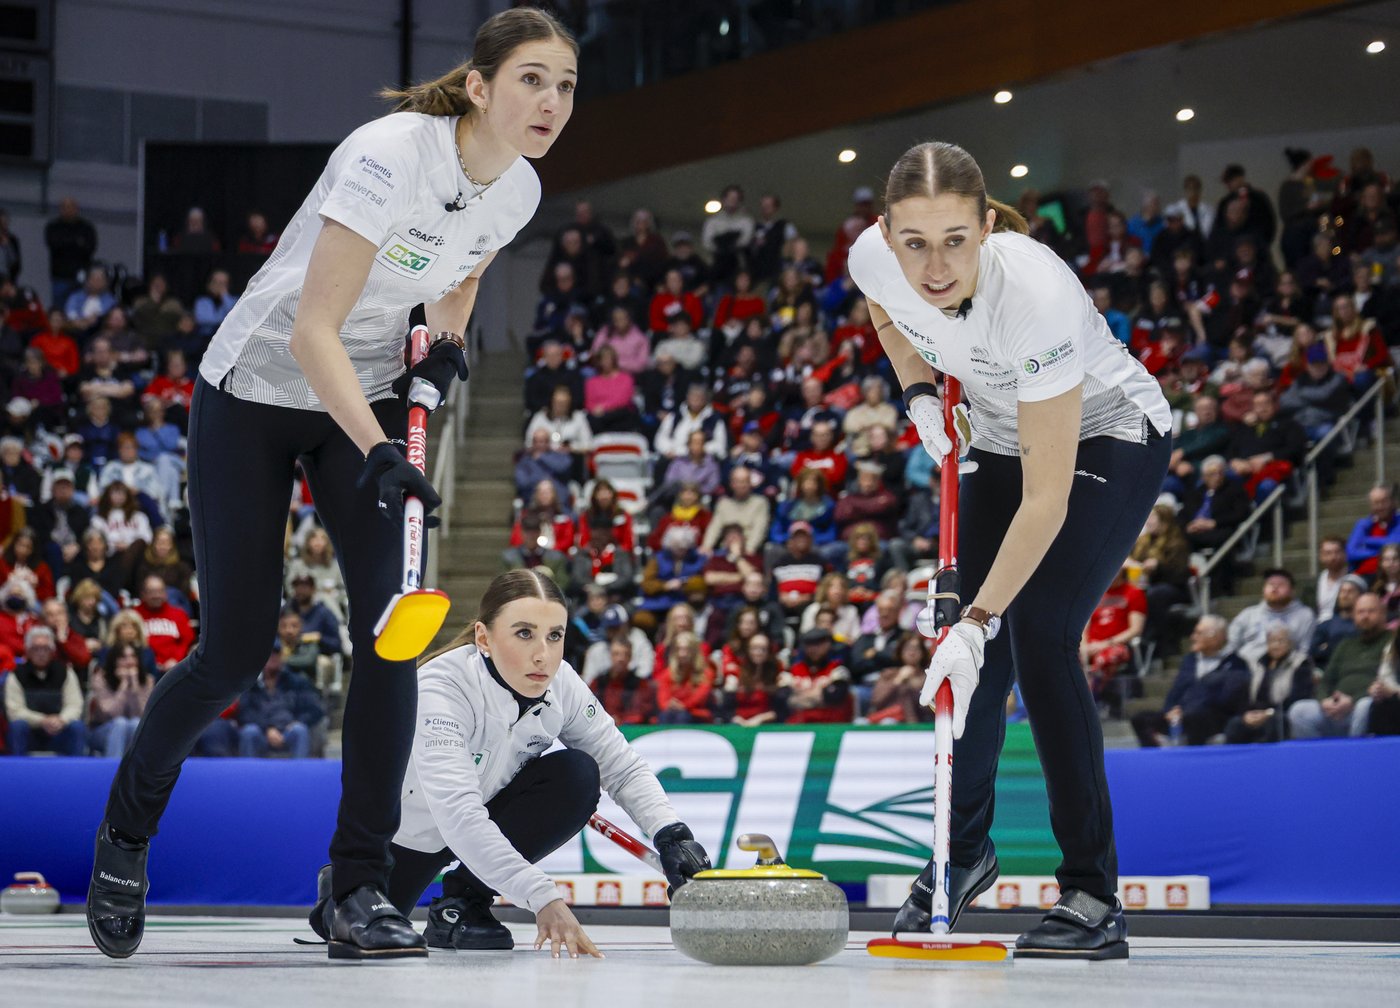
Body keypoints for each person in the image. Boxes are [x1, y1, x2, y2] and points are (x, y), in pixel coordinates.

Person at [87, 9, 579, 962]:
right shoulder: (389, 155)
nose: (551, 102)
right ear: (479, 87)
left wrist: (438, 353)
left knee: (393, 636)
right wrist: (381, 447)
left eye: (564, 85)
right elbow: (317, 328)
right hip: (260, 389)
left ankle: (354, 888)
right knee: (233, 649)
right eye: (530, 80)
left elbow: (457, 279)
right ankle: (124, 835)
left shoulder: (517, 190)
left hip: (376, 393)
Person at [852, 141, 1171, 958]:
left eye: (956, 239)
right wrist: (919, 394)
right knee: (973, 660)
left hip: (1107, 435)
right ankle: (961, 855)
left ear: (987, 225)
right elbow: (888, 314)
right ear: (886, 234)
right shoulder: (872, 260)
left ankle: (1094, 893)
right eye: (914, 242)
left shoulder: (1035, 293)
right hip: (989, 432)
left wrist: (981, 614)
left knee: (1036, 633)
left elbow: (1047, 499)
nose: (933, 265)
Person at [316, 570, 709, 956]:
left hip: (485, 816)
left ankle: (461, 905)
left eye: (555, 636)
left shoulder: (561, 683)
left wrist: (671, 835)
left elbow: (621, 766)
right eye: (524, 633)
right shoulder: (442, 687)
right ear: (483, 637)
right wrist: (543, 898)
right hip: (410, 837)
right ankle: (341, 886)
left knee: (577, 774)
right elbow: (459, 816)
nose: (543, 654)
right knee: (348, 922)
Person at [1130, 615, 1249, 747]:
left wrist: (1187, 710)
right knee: (1140, 719)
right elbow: (1176, 690)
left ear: (1215, 637)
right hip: (1181, 714)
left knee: (1195, 716)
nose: (1193, 637)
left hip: (1213, 718)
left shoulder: (1236, 664)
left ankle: (1192, 760)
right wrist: (1170, 710)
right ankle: (1159, 758)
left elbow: (1226, 700)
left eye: (1198, 633)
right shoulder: (1190, 660)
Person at [1288, 592, 1387, 739]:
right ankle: (1319, 760)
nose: (1365, 616)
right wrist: (1324, 701)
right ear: (1354, 616)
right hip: (1334, 709)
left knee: (1365, 706)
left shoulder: (1392, 642)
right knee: (1299, 711)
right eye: (1360, 612)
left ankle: (1356, 756)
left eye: (1371, 611)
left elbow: (1389, 680)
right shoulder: (1345, 645)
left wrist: (1353, 700)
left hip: (1368, 707)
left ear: (1383, 614)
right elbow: (1326, 680)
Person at [4, 625, 87, 755]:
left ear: (52, 651)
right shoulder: (16, 675)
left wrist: (62, 719)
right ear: (28, 651)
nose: (41, 653)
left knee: (77, 727)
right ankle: (18, 771)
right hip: (30, 732)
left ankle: (76, 771)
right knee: (17, 726)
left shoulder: (65, 672)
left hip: (59, 731)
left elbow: (74, 704)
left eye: (46, 648)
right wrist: (42, 720)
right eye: (36, 649)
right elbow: (14, 711)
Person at [1225, 627, 1314, 745]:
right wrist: (1247, 714)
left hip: (1281, 713)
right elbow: (1245, 695)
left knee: (1275, 723)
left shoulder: (1300, 663)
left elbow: (1298, 696)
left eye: (1281, 641)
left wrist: (1269, 713)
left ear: (1290, 643)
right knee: (1235, 724)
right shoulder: (1258, 665)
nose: (1276, 645)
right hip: (1256, 712)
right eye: (1272, 641)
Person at [236, 649, 324, 758]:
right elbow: (244, 712)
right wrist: (267, 729)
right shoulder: (251, 684)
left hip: (289, 731)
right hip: (262, 733)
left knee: (299, 730)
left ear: (282, 657)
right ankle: (247, 773)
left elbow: (315, 709)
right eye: (269, 654)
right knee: (249, 732)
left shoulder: (297, 682)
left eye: (276, 654)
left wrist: (297, 722)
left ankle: (300, 772)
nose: (273, 658)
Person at [88, 643, 155, 759]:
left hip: (132, 728)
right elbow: (108, 714)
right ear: (114, 660)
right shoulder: (101, 678)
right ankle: (114, 770)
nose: (129, 661)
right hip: (101, 730)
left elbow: (142, 716)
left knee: (135, 723)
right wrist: (123, 686)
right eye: (123, 657)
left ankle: (136, 773)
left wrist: (134, 685)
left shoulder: (147, 680)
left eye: (133, 656)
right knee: (120, 723)